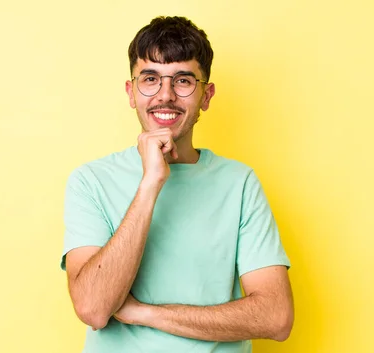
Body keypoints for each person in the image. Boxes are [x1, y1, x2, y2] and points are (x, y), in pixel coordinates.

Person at [60, 16, 294, 353]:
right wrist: (151, 182)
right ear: (131, 92)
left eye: (183, 80)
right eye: (150, 78)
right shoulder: (90, 181)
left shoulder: (239, 183)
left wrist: (143, 313)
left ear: (206, 95)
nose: (165, 95)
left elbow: (276, 317)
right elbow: (94, 309)